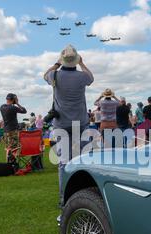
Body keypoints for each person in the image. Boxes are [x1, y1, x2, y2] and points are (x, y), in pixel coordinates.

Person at [43, 44, 94, 205]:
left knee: (63, 162)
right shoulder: (81, 76)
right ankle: (82, 195)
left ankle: (64, 198)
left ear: (63, 60)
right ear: (76, 60)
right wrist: (82, 63)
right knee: (82, 159)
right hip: (80, 122)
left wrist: (57, 64)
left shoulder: (55, 76)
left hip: (61, 123)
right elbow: (91, 78)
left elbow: (45, 74)